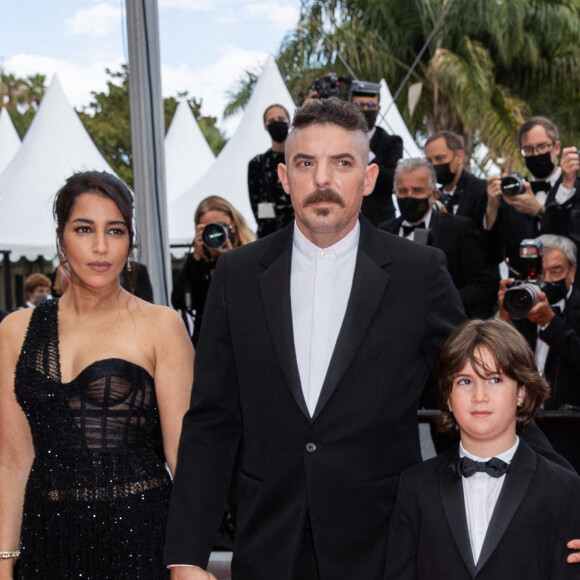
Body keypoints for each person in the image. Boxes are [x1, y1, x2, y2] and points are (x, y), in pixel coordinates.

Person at [163, 98, 466, 579]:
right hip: (270, 546)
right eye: (306, 163)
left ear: (368, 179)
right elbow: (212, 422)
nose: (322, 180)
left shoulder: (419, 274)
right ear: (285, 179)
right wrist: (185, 555)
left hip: (385, 546)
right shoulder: (238, 275)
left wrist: (562, 497)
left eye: (341, 163)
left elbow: (481, 385)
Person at [0, 170, 193, 578]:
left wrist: (186, 560)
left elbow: (186, 458)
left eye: (116, 230)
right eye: (84, 228)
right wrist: (4, 558)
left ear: (130, 240)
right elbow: (14, 460)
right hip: (46, 541)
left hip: (140, 540)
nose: (101, 246)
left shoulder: (161, 326)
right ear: (61, 237)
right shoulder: (15, 332)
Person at [386, 319, 580, 579]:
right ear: (447, 397)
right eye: (465, 381)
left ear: (521, 392)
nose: (479, 396)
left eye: (495, 379)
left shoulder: (563, 488)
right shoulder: (415, 486)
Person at [497, 234, 580, 472]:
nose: (546, 281)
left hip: (570, 433)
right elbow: (495, 361)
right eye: (539, 273)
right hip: (522, 432)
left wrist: (550, 324)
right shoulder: (520, 301)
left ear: (572, 273)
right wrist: (504, 317)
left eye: (557, 272)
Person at [381, 158, 498, 319]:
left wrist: (440, 301)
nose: (410, 197)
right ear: (395, 193)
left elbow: (484, 285)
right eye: (403, 191)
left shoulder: (459, 230)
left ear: (434, 195)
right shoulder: (383, 232)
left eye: (417, 191)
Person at [486, 116, 580, 275]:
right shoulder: (512, 195)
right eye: (528, 149)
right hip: (522, 290)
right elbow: (492, 253)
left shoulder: (576, 188)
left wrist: (539, 211)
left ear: (556, 147)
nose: (536, 154)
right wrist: (492, 208)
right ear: (521, 155)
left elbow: (573, 243)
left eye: (542, 146)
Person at [171, 195, 255, 346]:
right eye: (207, 229)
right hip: (208, 347)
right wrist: (195, 259)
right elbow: (181, 302)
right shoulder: (198, 266)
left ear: (234, 225)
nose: (215, 234)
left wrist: (232, 262)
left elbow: (252, 301)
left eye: (220, 226)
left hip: (245, 344)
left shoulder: (253, 255)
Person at [349, 80, 403, 226]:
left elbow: (391, 181)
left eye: (371, 105)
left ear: (379, 109)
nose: (365, 110)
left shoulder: (392, 142)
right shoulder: (340, 140)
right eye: (359, 105)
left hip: (380, 222)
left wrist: (368, 153)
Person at [247, 104, 294, 238]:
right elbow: (255, 203)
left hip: (300, 234)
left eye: (280, 118)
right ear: (265, 126)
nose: (277, 123)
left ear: (289, 123)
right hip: (268, 236)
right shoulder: (257, 164)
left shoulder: (301, 160)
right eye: (271, 121)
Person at [424, 130, 488, 227]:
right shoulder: (434, 197)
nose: (434, 165)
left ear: (459, 156)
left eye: (440, 158)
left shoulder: (482, 190)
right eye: (429, 161)